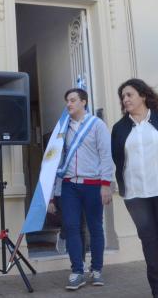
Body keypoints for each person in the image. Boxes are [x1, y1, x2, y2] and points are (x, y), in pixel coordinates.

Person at [110, 79, 158, 298]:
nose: (125, 100)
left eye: (129, 95)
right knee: (150, 243)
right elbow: (117, 159)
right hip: (137, 195)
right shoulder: (119, 128)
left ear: (143, 96)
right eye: (123, 97)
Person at [47, 88, 114, 290]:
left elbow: (106, 155)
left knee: (95, 227)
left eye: (73, 100)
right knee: (71, 227)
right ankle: (77, 271)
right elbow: (53, 163)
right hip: (68, 186)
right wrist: (51, 196)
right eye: (67, 100)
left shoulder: (97, 125)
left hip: (93, 185)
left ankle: (96, 270)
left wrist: (106, 184)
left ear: (84, 102)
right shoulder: (62, 128)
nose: (69, 104)